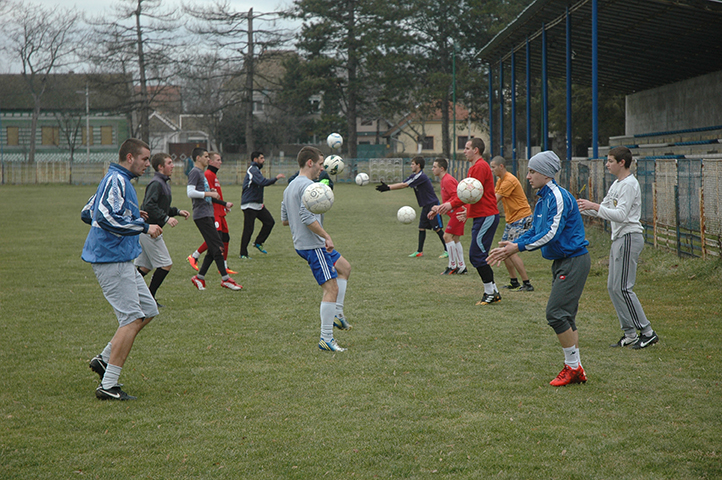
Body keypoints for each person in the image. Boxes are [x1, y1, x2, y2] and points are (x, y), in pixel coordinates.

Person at [488, 151, 591, 387]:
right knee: (566, 316)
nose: (528, 176)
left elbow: (551, 234)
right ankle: (576, 368)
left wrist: (517, 247)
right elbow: (536, 229)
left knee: (555, 314)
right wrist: (516, 242)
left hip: (574, 260)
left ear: (546, 173)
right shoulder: (543, 196)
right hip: (563, 261)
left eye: (532, 171)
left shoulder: (558, 196)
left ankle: (573, 368)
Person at [81, 138, 163, 401]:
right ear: (130, 157)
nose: (147, 164)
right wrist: (141, 226)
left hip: (122, 259)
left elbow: (88, 212)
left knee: (148, 311)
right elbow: (102, 217)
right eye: (145, 159)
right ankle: (109, 385)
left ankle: (104, 359)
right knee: (131, 319)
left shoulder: (119, 180)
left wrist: (129, 213)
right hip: (111, 260)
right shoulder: (116, 180)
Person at [577, 146, 659, 349]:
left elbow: (621, 215)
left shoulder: (630, 185)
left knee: (623, 287)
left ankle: (647, 332)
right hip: (619, 239)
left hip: (629, 237)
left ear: (622, 162)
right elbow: (604, 210)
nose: (607, 164)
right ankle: (630, 333)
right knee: (613, 287)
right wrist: (581, 208)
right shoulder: (616, 184)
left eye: (610, 161)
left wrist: (594, 206)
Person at [281, 146, 353, 352]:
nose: (323, 168)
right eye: (321, 164)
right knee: (331, 289)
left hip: (305, 243)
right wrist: (326, 236)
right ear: (310, 163)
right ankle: (326, 338)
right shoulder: (308, 187)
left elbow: (285, 220)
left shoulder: (290, 187)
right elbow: (306, 218)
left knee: (345, 268)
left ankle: (338, 315)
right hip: (313, 246)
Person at [431, 138, 501, 305]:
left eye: (467, 148)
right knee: (478, 256)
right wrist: (467, 212)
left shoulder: (479, 167)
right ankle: (493, 292)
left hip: (486, 216)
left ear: (476, 150)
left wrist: (450, 204)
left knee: (477, 256)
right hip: (481, 216)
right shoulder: (476, 167)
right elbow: (473, 196)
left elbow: (468, 194)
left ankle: (490, 293)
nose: (464, 151)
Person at [134, 153, 190, 307]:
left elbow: (161, 207)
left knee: (145, 267)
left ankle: (128, 291)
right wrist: (166, 218)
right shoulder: (156, 183)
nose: (173, 166)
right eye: (170, 163)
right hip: (149, 229)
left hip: (151, 230)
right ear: (160, 167)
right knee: (166, 264)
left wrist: (177, 211)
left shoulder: (163, 182)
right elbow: (149, 206)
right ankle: (149, 299)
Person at [186, 147, 242, 291]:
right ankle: (225, 279)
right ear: (198, 158)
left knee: (213, 247)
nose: (208, 159)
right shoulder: (195, 172)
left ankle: (199, 277)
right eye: (205, 156)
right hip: (202, 215)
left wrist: (211, 194)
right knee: (218, 247)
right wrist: (208, 194)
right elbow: (190, 192)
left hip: (208, 213)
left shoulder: (201, 173)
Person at [376, 156, 447, 258]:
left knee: (437, 229)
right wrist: (388, 186)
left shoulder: (421, 176)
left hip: (433, 205)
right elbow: (403, 183)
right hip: (425, 206)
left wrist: (388, 188)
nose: (411, 166)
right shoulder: (415, 176)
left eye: (413, 164)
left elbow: (404, 185)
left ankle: (447, 250)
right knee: (421, 228)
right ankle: (419, 251)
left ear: (418, 165)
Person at [490, 156, 535, 292]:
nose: (492, 170)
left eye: (493, 167)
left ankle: (527, 283)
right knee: (504, 248)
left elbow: (494, 201)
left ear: (501, 166)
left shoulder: (509, 180)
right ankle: (514, 281)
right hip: (512, 220)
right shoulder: (500, 180)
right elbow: (492, 196)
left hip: (522, 218)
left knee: (511, 251)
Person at [239, 151, 285, 259]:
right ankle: (243, 253)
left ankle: (258, 242)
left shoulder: (256, 170)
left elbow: (257, 185)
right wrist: (276, 178)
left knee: (269, 222)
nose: (263, 160)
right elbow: (262, 182)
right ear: (255, 159)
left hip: (257, 204)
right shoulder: (253, 170)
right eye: (261, 158)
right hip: (249, 205)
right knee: (248, 229)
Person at [429, 157, 468, 274]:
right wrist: (437, 210)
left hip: (458, 212)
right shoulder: (444, 180)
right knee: (454, 238)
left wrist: (439, 207)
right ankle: (461, 267)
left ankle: (452, 266)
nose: (432, 169)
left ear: (442, 169)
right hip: (456, 212)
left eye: (435, 167)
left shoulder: (447, 180)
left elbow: (456, 197)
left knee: (447, 236)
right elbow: (449, 199)